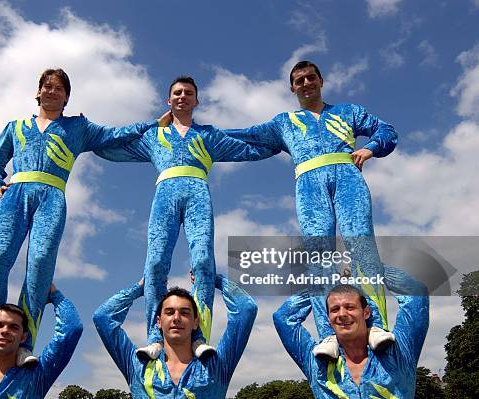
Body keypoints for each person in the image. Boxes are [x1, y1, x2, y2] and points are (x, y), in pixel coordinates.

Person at [0, 68, 163, 367]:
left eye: (59, 88)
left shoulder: (77, 128)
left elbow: (115, 134)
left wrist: (153, 124)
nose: (52, 91)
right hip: (15, 195)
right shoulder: (15, 127)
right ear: (38, 92)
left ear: (67, 96)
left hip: (52, 196)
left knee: (41, 262)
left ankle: (25, 342)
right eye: (47, 86)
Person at [225, 61, 398, 357]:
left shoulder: (347, 111)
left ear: (321, 80)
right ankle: (328, 334)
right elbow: (247, 134)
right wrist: (199, 134)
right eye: (299, 80)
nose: (306, 83)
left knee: (362, 245)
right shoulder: (285, 122)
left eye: (310, 78)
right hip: (308, 184)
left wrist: (372, 147)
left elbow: (386, 129)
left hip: (348, 178)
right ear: (292, 88)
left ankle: (377, 325)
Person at [95, 76, 273, 359]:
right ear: (169, 101)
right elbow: (112, 148)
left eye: (188, 93)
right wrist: (151, 123)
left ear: (196, 100)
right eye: (177, 93)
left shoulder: (208, 135)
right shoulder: (154, 137)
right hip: (164, 196)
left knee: (203, 261)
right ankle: (155, 337)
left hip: (198, 195)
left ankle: (199, 336)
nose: (182, 97)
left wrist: (282, 144)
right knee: (154, 265)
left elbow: (246, 148)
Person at [273, 266, 429, 399]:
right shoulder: (316, 362)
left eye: (350, 307)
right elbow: (283, 318)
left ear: (366, 312)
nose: (342, 314)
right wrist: (323, 286)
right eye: (335, 309)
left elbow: (416, 293)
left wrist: (368, 267)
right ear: (328, 319)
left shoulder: (399, 351)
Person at [93, 273, 257, 398]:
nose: (176, 318)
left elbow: (246, 310)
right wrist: (139, 288)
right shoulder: (138, 365)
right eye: (169, 312)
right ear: (159, 321)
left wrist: (213, 279)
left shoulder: (216, 366)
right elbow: (103, 318)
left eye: (184, 313)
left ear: (195, 322)